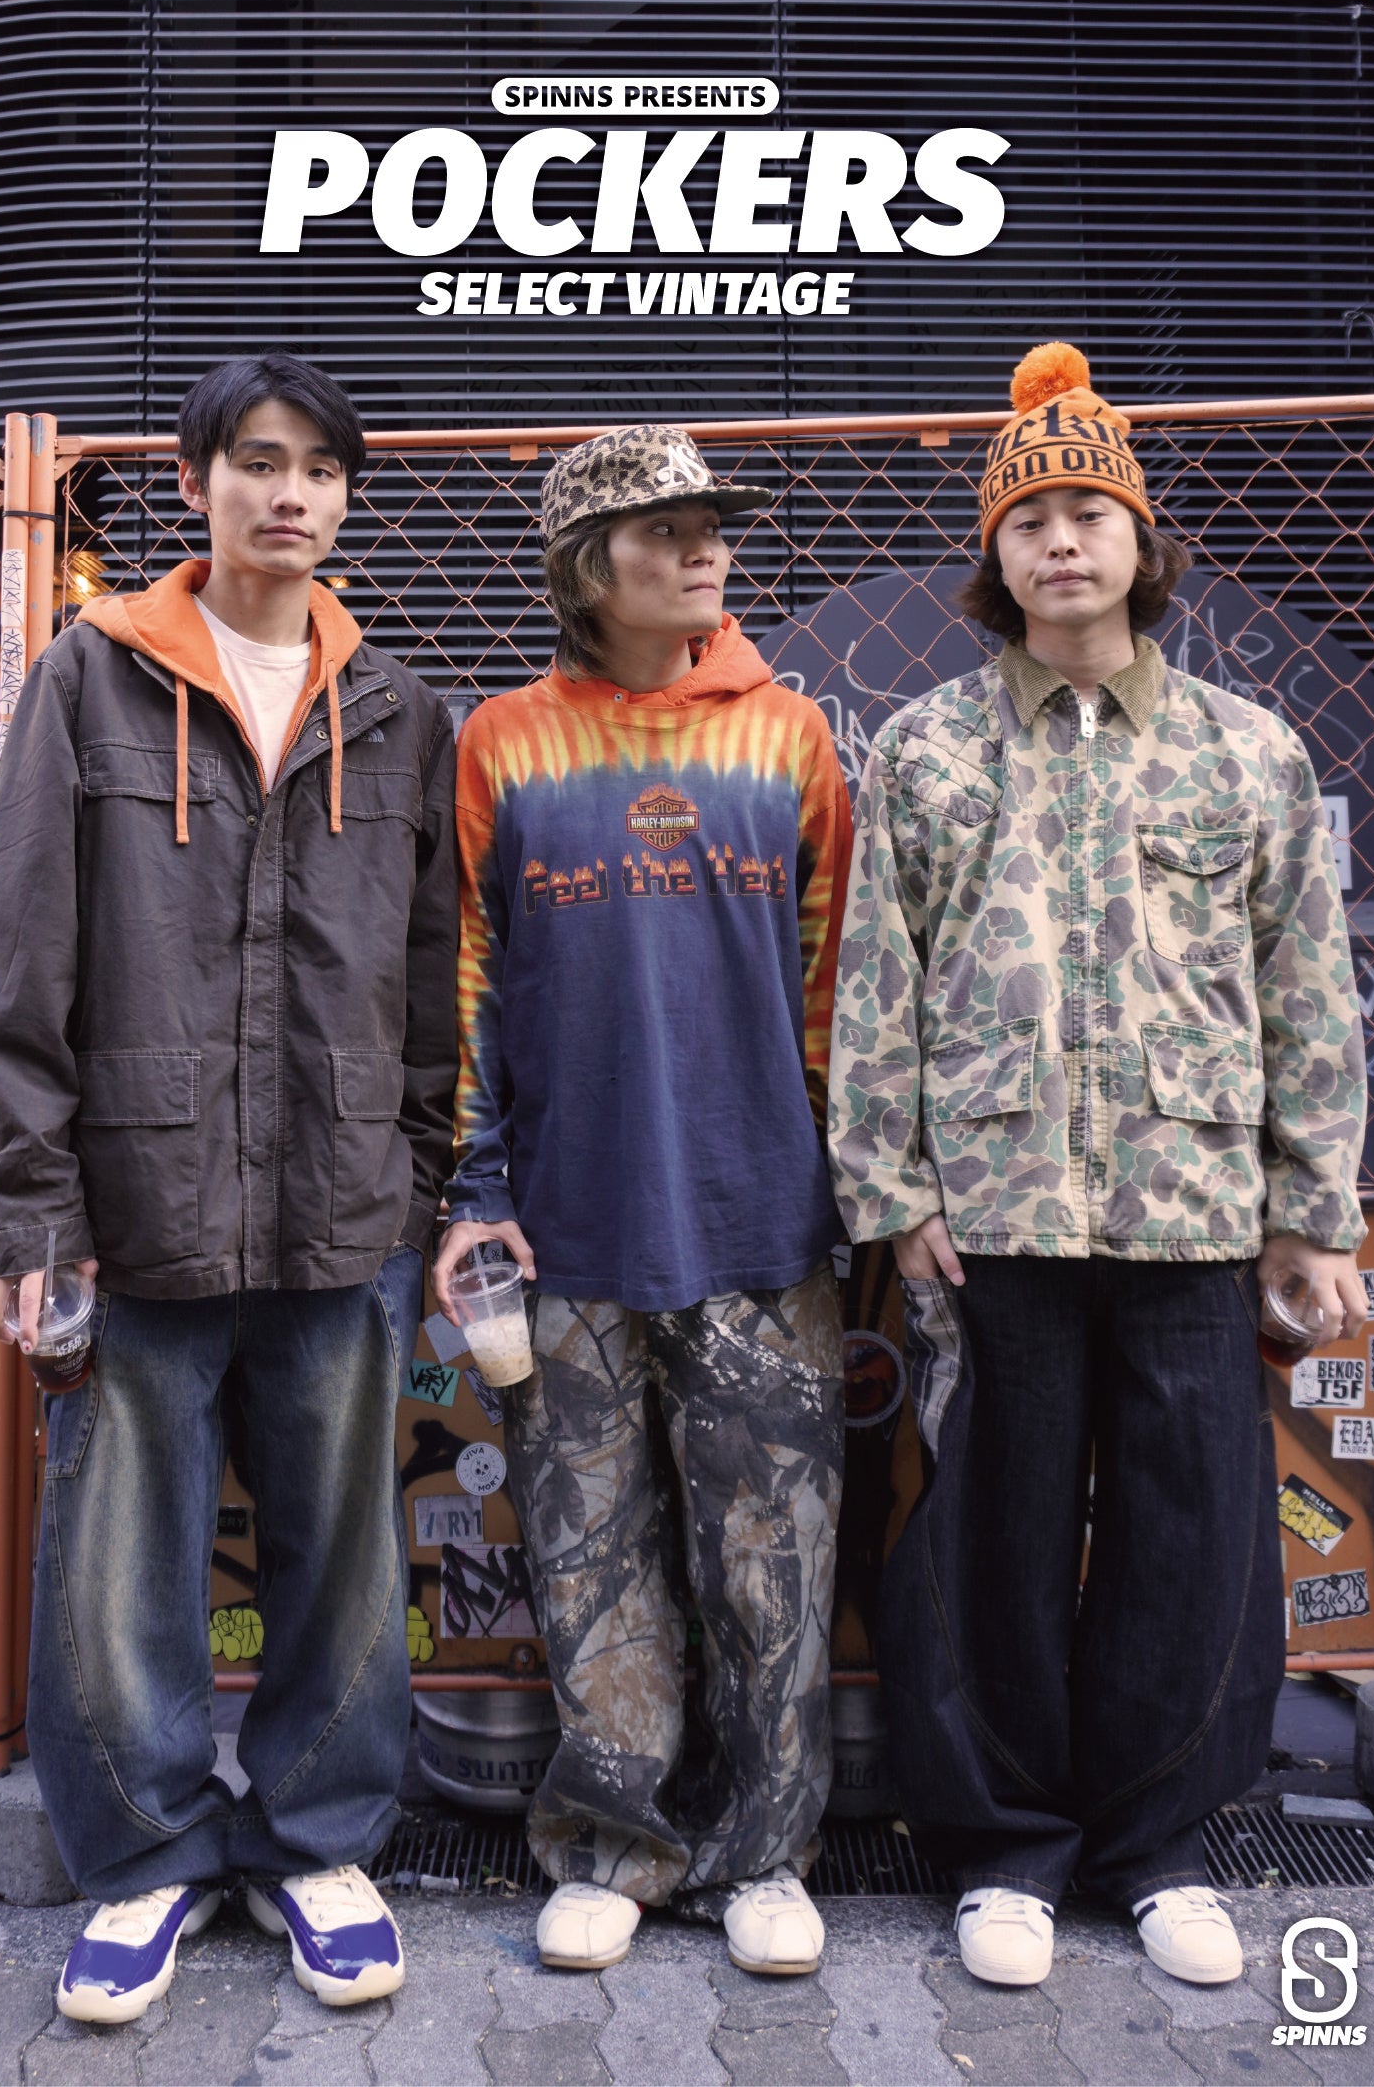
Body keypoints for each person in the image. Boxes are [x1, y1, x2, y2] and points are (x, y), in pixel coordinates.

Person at [828, 342, 1367, 1989]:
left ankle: (1157, 1844)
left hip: (1194, 1210)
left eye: (1089, 513)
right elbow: (878, 980)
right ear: (993, 558)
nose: (1061, 541)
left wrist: (1309, 1210)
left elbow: (1306, 986)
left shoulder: (1245, 751)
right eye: (1029, 519)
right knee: (994, 1527)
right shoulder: (927, 749)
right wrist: (896, 1189)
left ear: (1142, 542)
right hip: (996, 1213)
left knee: (1186, 1533)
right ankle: (1005, 1846)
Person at [0, 351, 458, 2023]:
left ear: (346, 496)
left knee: (346, 1553)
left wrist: (418, 1182)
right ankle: (147, 1856)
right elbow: (20, 960)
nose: (289, 492)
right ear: (196, 483)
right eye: (257, 458)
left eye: (319, 466)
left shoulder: (396, 707)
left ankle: (319, 1839)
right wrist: (27, 1214)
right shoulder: (92, 679)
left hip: (342, 1202)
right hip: (138, 1203)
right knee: (121, 1556)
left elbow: (428, 972)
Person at [433, 423, 851, 1976]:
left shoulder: (790, 738)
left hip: (762, 1223)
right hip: (564, 1223)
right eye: (664, 530)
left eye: (711, 526)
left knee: (771, 1552)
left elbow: (839, 991)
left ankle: (766, 1852)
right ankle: (613, 1843)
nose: (704, 551)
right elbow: (468, 990)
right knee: (586, 1545)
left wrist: (843, 1181)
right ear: (584, 565)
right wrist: (477, 1187)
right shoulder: (503, 744)